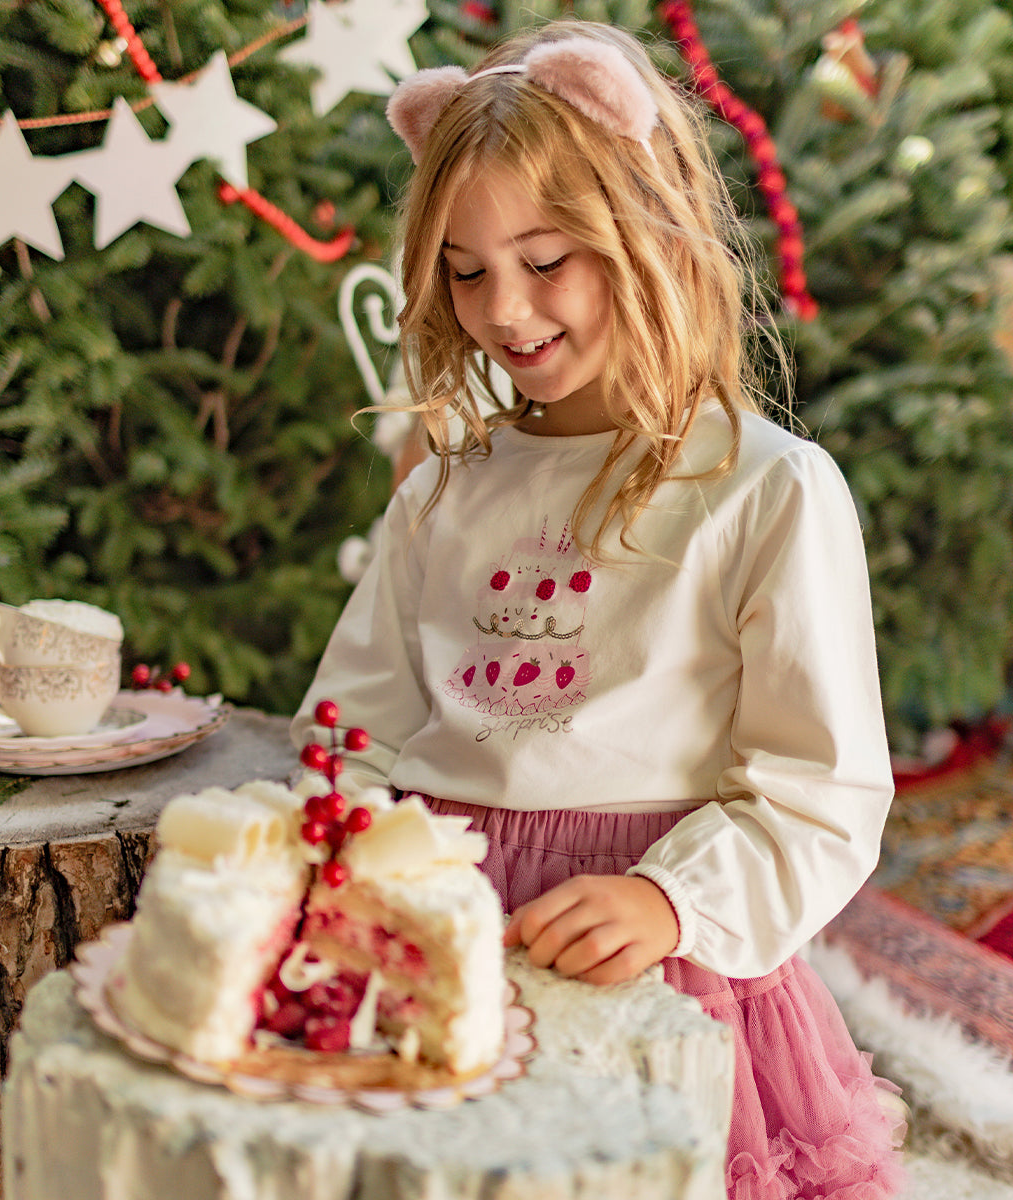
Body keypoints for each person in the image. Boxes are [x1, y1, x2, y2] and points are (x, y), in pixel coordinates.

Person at [292, 18, 906, 1199]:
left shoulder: (766, 489)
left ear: (648, 230)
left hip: (654, 968)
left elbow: (821, 790)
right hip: (440, 956)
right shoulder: (446, 489)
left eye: (545, 257)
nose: (503, 308)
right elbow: (348, 735)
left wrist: (670, 902)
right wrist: (350, 865)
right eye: (465, 271)